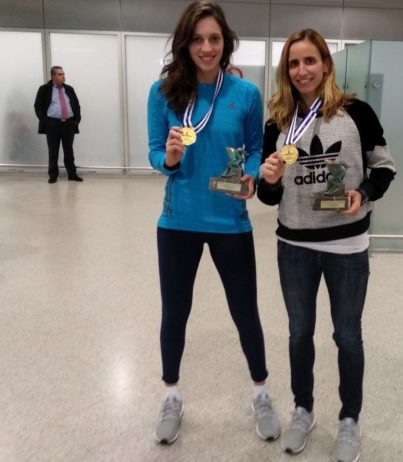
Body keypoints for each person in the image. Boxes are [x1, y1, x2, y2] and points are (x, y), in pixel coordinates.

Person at [257, 29, 396, 462]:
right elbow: (268, 196)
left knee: (347, 335)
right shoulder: (277, 122)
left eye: (310, 61)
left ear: (326, 65)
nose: (302, 70)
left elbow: (385, 167)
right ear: (286, 71)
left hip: (347, 244)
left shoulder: (357, 113)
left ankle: (349, 419)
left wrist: (364, 193)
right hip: (293, 244)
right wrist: (269, 180)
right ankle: (303, 410)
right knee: (299, 333)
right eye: (293, 63)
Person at [147, 0, 280, 446]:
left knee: (246, 312)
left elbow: (255, 149)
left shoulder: (245, 94)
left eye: (215, 39)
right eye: (198, 39)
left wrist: (251, 176)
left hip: (230, 222)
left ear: (226, 42)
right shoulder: (163, 92)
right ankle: (171, 396)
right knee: (175, 313)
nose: (206, 47)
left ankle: (261, 392)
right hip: (178, 221)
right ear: (185, 43)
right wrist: (168, 159)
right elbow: (154, 152)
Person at [34, 66, 83, 183]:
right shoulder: (44, 89)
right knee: (53, 151)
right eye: (60, 74)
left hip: (69, 124)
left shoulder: (69, 89)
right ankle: (53, 175)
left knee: (69, 150)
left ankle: (72, 174)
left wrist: (76, 120)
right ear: (53, 76)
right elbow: (38, 106)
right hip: (52, 124)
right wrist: (45, 121)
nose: (63, 76)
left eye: (63, 74)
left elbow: (76, 105)